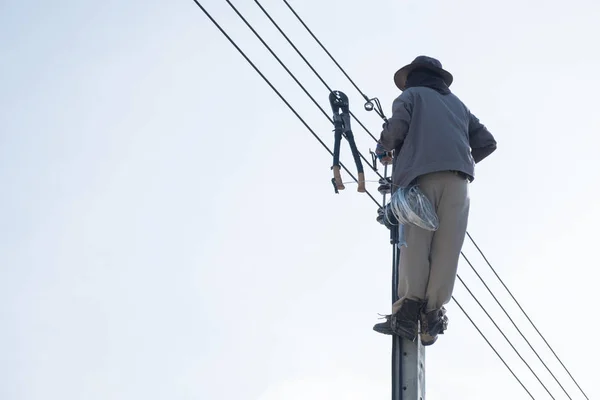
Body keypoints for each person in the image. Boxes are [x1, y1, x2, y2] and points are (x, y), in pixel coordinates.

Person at [373, 56, 497, 346]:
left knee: (415, 243)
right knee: (447, 249)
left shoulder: (410, 96)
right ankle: (432, 316)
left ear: (413, 78)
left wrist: (383, 149)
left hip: (420, 181)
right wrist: (458, 159)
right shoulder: (459, 106)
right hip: (458, 184)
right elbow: (487, 142)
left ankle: (406, 315)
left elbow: (397, 128)